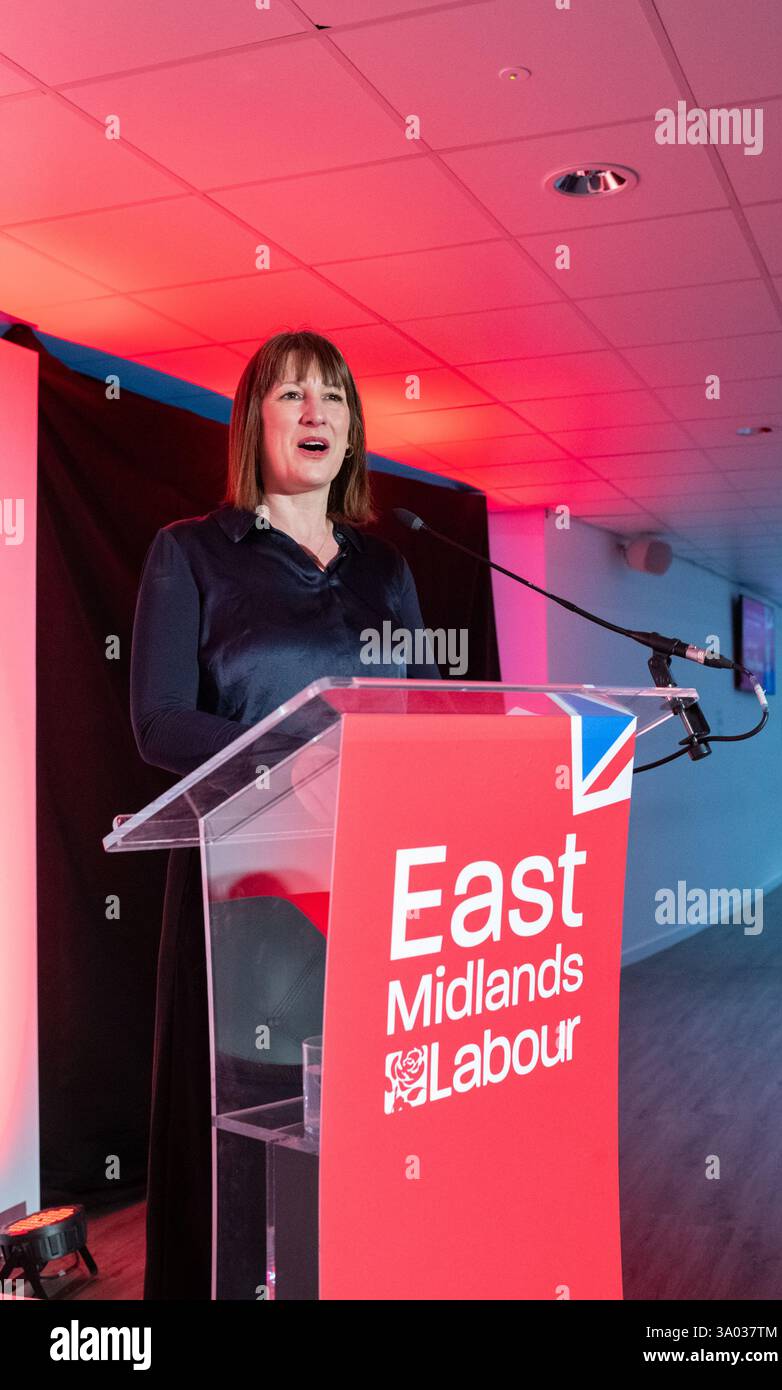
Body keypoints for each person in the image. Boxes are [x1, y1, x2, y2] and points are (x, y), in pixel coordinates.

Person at [130, 329, 440, 1299]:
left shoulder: (385, 571)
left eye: (335, 399)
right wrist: (302, 762)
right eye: (292, 396)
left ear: (354, 430)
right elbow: (156, 721)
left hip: (371, 896)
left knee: (360, 1132)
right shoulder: (192, 555)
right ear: (251, 422)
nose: (316, 414)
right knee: (253, 1141)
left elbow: (423, 709)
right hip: (247, 904)